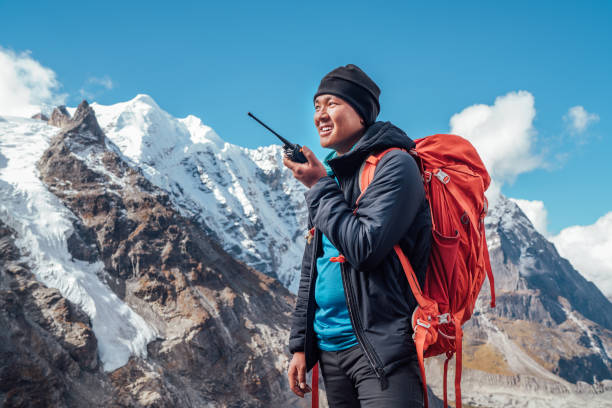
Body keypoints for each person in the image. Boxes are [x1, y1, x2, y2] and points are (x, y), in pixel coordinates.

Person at [284, 64, 432, 407]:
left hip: (381, 353)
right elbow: (314, 269)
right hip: (331, 354)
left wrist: (319, 186)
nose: (320, 114)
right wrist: (300, 346)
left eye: (332, 103)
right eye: (316, 106)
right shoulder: (331, 178)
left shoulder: (395, 166)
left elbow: (365, 248)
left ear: (362, 112)